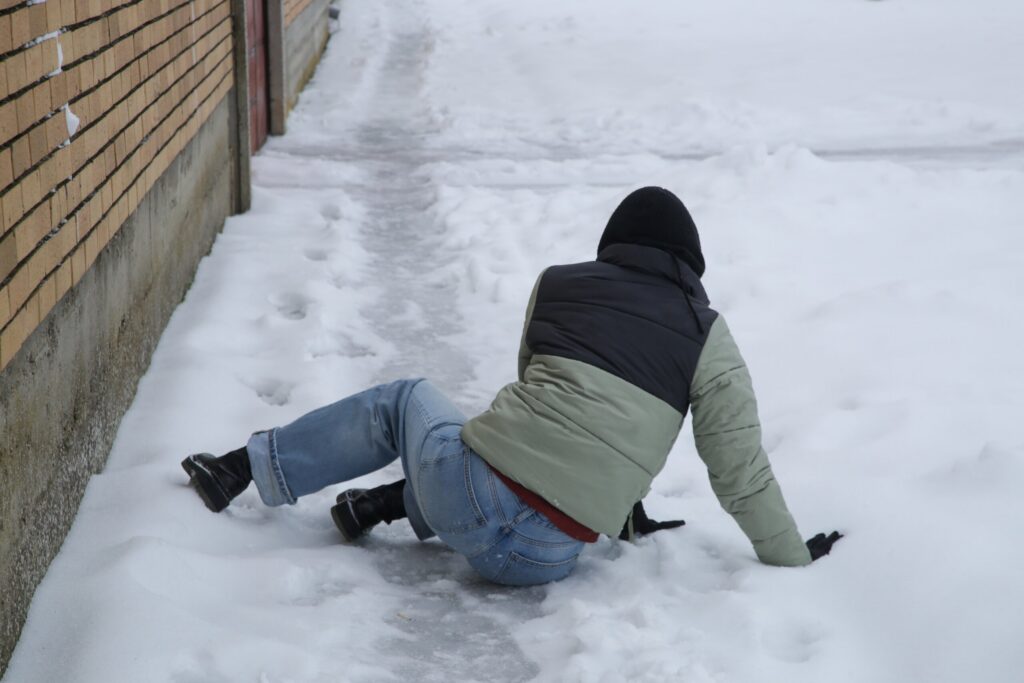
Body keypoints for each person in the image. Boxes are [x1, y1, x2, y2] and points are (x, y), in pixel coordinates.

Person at [182, 187, 841, 586]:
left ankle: (245, 467)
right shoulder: (709, 337)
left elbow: (538, 403)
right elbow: (738, 468)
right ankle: (377, 507)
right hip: (547, 556)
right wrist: (789, 556)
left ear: (613, 246)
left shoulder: (560, 282)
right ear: (691, 267)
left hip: (464, 499)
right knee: (491, 458)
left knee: (408, 401)